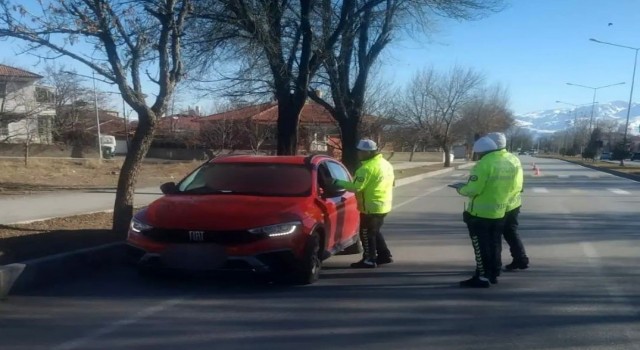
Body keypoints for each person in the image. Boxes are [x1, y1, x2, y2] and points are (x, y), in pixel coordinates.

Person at [455, 135, 519, 287]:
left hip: (479, 214)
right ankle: (494, 272)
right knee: (495, 243)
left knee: (481, 246)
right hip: (500, 210)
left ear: (482, 152)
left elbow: (473, 189)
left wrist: (460, 189)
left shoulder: (484, 164)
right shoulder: (509, 161)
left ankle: (482, 277)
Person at [331, 139, 395, 268]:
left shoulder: (365, 169)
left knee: (366, 233)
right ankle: (384, 255)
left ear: (367, 152)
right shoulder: (385, 163)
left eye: (360, 151)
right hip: (384, 204)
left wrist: (336, 182)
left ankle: (369, 259)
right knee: (375, 231)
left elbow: (355, 187)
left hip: (370, 206)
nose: (358, 154)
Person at [486, 132, 529, 271]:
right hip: (514, 203)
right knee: (511, 232)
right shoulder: (513, 158)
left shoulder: (491, 160)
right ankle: (521, 259)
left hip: (498, 204)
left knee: (495, 235)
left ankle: (495, 265)